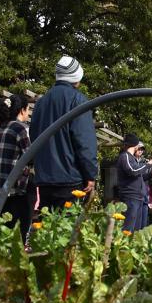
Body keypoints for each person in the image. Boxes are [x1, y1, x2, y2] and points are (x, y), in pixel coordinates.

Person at [30, 56, 98, 209]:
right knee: (67, 228)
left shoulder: (41, 102)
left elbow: (34, 137)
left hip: (45, 179)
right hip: (70, 178)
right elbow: (84, 142)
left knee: (48, 228)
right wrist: (90, 174)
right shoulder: (77, 100)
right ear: (76, 77)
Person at [0, 95, 34, 241]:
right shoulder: (21, 129)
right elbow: (30, 156)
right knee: (18, 235)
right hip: (17, 189)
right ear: (22, 110)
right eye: (28, 109)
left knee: (3, 232)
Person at [117, 134, 152, 232]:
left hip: (138, 198)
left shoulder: (132, 158)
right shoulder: (125, 156)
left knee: (136, 229)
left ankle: (132, 246)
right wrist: (148, 164)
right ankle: (123, 247)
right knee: (128, 228)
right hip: (130, 197)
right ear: (136, 145)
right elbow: (133, 170)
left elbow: (139, 176)